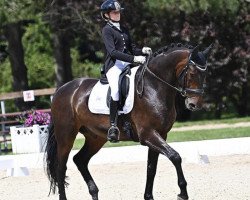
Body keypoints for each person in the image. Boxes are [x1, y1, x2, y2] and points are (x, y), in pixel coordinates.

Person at [100, 0, 152, 142]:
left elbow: (131, 48)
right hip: (114, 66)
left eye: (118, 12)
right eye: (115, 12)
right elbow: (113, 52)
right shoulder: (107, 30)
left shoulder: (124, 29)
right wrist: (134, 58)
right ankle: (113, 126)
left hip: (128, 64)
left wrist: (141, 50)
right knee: (116, 89)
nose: (118, 14)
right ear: (107, 15)